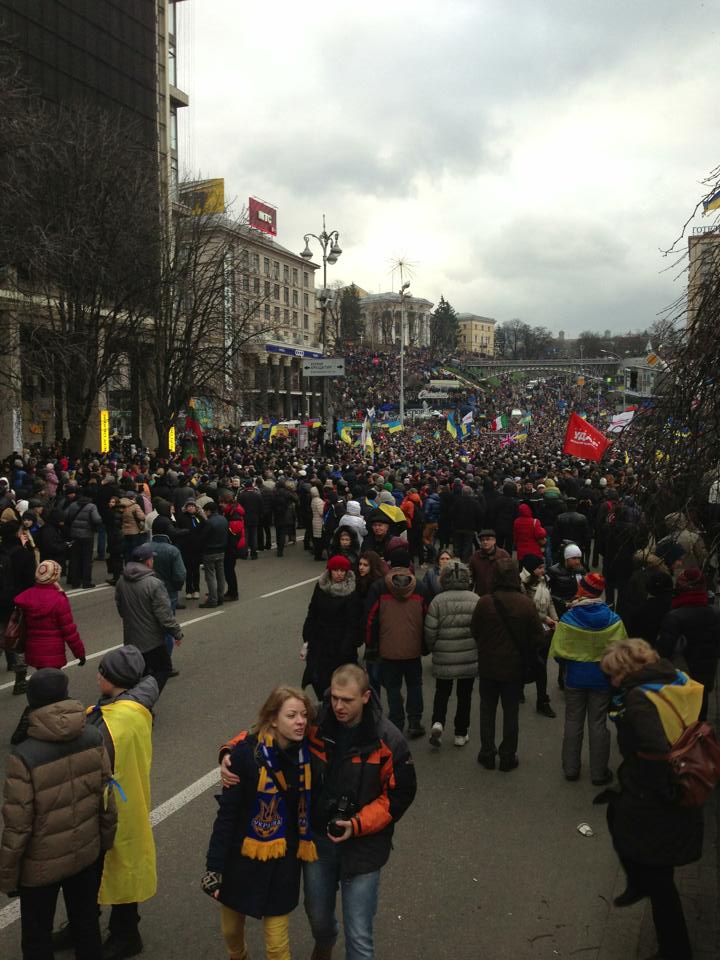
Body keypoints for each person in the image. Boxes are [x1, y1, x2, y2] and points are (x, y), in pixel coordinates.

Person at [0, 669, 117, 960]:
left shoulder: (24, 755)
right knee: (87, 925)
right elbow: (106, 797)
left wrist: (8, 875)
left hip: (41, 864)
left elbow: (18, 824)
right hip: (87, 850)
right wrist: (105, 841)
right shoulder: (93, 735)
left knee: (37, 938)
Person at [600, 638, 704, 960]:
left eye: (612, 674)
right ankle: (640, 882)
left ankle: (675, 950)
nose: (610, 681)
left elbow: (654, 750)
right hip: (684, 778)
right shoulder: (676, 681)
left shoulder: (639, 698)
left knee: (659, 878)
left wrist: (659, 790)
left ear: (626, 671)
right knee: (656, 867)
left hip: (657, 795)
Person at [205, 686, 316, 960]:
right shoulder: (246, 755)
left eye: (304, 715)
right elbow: (227, 815)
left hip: (283, 861)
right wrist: (214, 867)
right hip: (241, 857)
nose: (300, 721)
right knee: (231, 931)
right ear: (273, 719)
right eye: (291, 715)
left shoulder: (311, 755)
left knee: (277, 947)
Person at [87, 646, 159, 960]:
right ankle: (109, 925)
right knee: (122, 864)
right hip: (131, 795)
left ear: (114, 680)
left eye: (102, 673)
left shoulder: (116, 721)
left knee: (112, 865)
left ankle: (125, 933)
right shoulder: (135, 704)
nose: (97, 676)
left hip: (115, 804)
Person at [549, 573, 627, 783]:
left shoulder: (568, 619)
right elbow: (622, 653)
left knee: (573, 721)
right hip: (602, 680)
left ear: (583, 590)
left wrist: (568, 667)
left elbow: (558, 652)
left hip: (575, 678)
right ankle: (598, 773)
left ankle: (571, 769)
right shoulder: (614, 620)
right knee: (598, 723)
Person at [471, 558, 545, 771]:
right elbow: (537, 638)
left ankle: (487, 753)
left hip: (488, 666)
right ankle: (507, 756)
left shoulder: (485, 602)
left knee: (487, 711)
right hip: (514, 668)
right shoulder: (525, 603)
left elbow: (474, 630)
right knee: (511, 712)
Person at [365, 539, 428, 737]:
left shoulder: (379, 587)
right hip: (413, 647)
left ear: (390, 563)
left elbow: (370, 620)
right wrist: (425, 644)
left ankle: (396, 723)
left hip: (388, 648)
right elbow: (428, 619)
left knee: (393, 688)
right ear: (410, 564)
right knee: (414, 685)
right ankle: (415, 722)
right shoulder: (420, 588)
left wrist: (371, 645)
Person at [114, 542, 184, 693]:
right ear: (147, 561)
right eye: (152, 559)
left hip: (131, 636)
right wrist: (176, 632)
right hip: (152, 640)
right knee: (164, 669)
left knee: (141, 671)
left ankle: (132, 698)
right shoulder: (154, 584)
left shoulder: (121, 581)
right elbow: (164, 614)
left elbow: (120, 608)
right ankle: (143, 701)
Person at [424, 559, 479, 748]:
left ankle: (438, 722)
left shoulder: (438, 601)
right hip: (468, 655)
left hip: (444, 655)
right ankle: (460, 733)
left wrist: (433, 647)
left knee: (442, 692)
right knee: (465, 695)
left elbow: (430, 630)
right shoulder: (475, 600)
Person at [657, 566, 720, 721]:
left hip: (679, 676)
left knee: (680, 719)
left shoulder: (674, 616)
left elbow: (664, 651)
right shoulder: (714, 613)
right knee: (700, 717)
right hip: (705, 674)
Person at [301, 556, 362, 700]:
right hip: (320, 642)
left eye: (342, 571)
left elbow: (353, 623)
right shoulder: (321, 587)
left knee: (339, 685)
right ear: (330, 571)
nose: (339, 574)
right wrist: (307, 637)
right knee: (318, 679)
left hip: (340, 645)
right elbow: (313, 611)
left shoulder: (351, 592)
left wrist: (346, 647)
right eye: (336, 570)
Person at [14, 559, 86, 675]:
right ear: (55, 578)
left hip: (34, 649)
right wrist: (80, 653)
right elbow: (69, 631)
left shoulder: (27, 596)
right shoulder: (59, 600)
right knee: (52, 684)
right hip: (54, 651)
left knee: (42, 681)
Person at [519, 554, 558, 718]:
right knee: (528, 663)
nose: (543, 570)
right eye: (539, 568)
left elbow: (550, 602)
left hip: (545, 631)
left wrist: (555, 619)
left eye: (543, 567)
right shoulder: (521, 585)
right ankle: (518, 689)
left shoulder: (544, 581)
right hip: (529, 630)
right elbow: (527, 608)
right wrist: (546, 619)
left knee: (542, 667)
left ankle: (542, 701)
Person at [65, 490, 103, 588]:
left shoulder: (73, 505)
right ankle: (86, 582)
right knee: (87, 559)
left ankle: (74, 582)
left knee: (75, 558)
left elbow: (65, 515)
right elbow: (97, 519)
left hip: (74, 535)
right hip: (87, 536)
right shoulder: (92, 506)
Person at [200, 500, 229, 608]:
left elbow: (203, 537)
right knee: (220, 575)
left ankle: (213, 599)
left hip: (209, 551)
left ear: (208, 511)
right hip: (221, 550)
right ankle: (220, 596)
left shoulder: (209, 522)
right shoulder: (223, 519)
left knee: (210, 576)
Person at [219, 491, 245, 601]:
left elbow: (234, 535)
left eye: (222, 502)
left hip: (232, 548)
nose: (220, 505)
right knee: (228, 570)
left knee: (229, 570)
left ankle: (233, 593)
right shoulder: (230, 512)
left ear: (227, 502)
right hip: (232, 547)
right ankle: (231, 591)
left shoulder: (234, 516)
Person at [177, 498, 205, 600]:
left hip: (197, 547)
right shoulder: (181, 518)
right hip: (186, 547)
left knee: (196, 569)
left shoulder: (199, 517)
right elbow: (178, 531)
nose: (191, 508)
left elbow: (204, 529)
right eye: (189, 506)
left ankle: (196, 590)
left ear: (196, 507)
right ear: (186, 508)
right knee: (188, 570)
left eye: (192, 506)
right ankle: (189, 590)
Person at [468, 529, 510, 597]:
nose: (485, 542)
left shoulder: (503, 555)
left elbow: (509, 576)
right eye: (482, 540)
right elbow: (471, 578)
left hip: (499, 595)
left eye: (488, 539)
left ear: (494, 541)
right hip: (481, 595)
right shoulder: (475, 557)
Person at [548, 542, 585, 617]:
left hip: (576, 607)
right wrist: (564, 603)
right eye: (574, 558)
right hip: (559, 609)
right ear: (566, 558)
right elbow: (548, 593)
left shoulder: (580, 570)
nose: (577, 561)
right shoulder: (553, 571)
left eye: (579, 558)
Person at [450, 486, 484, 562]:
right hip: (470, 527)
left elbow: (451, 513)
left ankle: (457, 561)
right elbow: (480, 514)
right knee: (467, 546)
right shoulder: (475, 502)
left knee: (457, 546)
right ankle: (465, 562)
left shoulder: (457, 501)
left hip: (457, 527)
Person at [236, 478, 262, 560]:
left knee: (245, 536)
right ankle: (254, 554)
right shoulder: (257, 494)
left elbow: (238, 507)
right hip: (254, 518)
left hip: (244, 518)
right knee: (254, 536)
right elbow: (261, 506)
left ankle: (245, 553)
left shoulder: (241, 495)